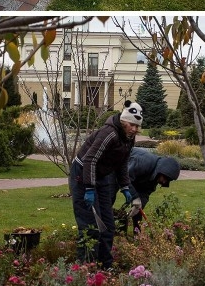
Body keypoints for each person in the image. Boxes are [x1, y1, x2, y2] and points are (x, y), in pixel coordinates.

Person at [69, 101, 142, 268]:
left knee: (108, 225)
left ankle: (105, 265)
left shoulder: (128, 138)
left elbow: (122, 162)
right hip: (82, 174)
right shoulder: (109, 133)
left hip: (102, 176)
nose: (135, 129)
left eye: (137, 126)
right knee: (90, 226)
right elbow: (90, 159)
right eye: (132, 125)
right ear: (124, 121)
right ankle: (85, 269)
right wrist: (88, 188)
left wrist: (125, 186)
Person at [121, 147, 181, 233]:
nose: (164, 182)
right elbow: (125, 178)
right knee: (109, 196)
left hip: (132, 176)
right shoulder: (143, 162)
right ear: (161, 171)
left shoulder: (155, 177)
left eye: (168, 181)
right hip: (115, 166)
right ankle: (102, 231)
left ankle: (137, 235)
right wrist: (135, 198)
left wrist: (139, 206)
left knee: (138, 207)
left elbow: (145, 193)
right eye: (165, 178)